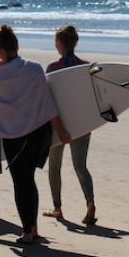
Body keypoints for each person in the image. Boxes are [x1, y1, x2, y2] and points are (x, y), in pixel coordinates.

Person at [0, 25, 70, 244]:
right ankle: (33, 228)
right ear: (17, 46)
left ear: (0, 51)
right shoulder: (34, 68)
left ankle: (27, 232)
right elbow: (47, 101)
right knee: (29, 180)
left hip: (12, 135)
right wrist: (61, 130)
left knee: (20, 182)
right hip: (36, 134)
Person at [42, 24, 96, 225]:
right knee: (81, 166)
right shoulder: (87, 67)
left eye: (56, 41)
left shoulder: (53, 68)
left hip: (58, 124)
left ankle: (57, 208)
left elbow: (48, 100)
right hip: (82, 122)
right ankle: (90, 203)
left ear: (61, 44)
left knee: (54, 166)